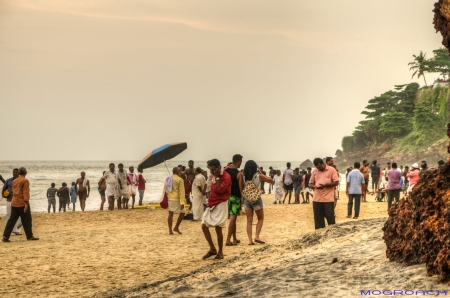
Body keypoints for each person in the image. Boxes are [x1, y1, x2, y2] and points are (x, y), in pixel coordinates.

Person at [201, 159, 231, 260]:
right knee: (204, 225)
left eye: (213, 170)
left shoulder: (226, 176)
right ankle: (212, 249)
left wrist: (217, 177)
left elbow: (220, 190)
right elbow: (211, 190)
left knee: (218, 228)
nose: (211, 172)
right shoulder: (213, 176)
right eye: (210, 169)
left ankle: (220, 252)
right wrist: (208, 202)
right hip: (212, 203)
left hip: (221, 203)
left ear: (218, 168)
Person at [2, 167, 39, 242]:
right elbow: (25, 192)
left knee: (11, 220)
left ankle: (5, 236)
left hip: (14, 202)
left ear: (19, 173)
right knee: (27, 220)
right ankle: (29, 236)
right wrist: (26, 203)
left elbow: (13, 191)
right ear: (26, 173)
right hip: (22, 203)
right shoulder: (25, 181)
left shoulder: (14, 181)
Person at [243, 160, 273, 245]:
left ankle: (249, 240)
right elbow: (270, 180)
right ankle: (256, 236)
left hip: (247, 199)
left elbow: (243, 187)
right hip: (256, 199)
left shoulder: (244, 177)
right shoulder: (258, 176)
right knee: (260, 218)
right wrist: (261, 173)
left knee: (249, 220)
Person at [310, 158, 339, 230]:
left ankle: (332, 233)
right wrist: (313, 186)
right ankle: (319, 235)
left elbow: (336, 182)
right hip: (317, 199)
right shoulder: (314, 171)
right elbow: (310, 183)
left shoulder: (332, 170)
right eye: (317, 168)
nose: (319, 169)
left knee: (330, 217)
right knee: (318, 218)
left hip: (328, 198)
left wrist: (325, 185)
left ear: (323, 163)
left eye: (320, 167)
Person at [225, 154, 244, 246]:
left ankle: (234, 238)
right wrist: (242, 200)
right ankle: (228, 240)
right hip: (235, 197)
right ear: (239, 161)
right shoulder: (239, 174)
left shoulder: (226, 171)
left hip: (227, 197)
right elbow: (241, 189)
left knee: (234, 218)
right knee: (232, 219)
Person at [165, 167, 186, 235]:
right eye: (180, 171)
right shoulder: (180, 179)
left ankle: (170, 230)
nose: (181, 172)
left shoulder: (168, 178)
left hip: (170, 198)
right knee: (183, 213)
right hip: (177, 199)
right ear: (177, 172)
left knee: (170, 214)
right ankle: (176, 227)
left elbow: (165, 188)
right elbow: (182, 192)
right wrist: (182, 202)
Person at [2, 169, 22, 234]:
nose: (15, 173)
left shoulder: (21, 180)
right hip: (9, 200)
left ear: (19, 173)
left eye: (16, 172)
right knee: (8, 214)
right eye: (14, 172)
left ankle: (17, 231)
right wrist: (3, 195)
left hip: (18, 201)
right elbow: (4, 188)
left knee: (18, 216)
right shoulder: (8, 180)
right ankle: (8, 230)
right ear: (12, 173)